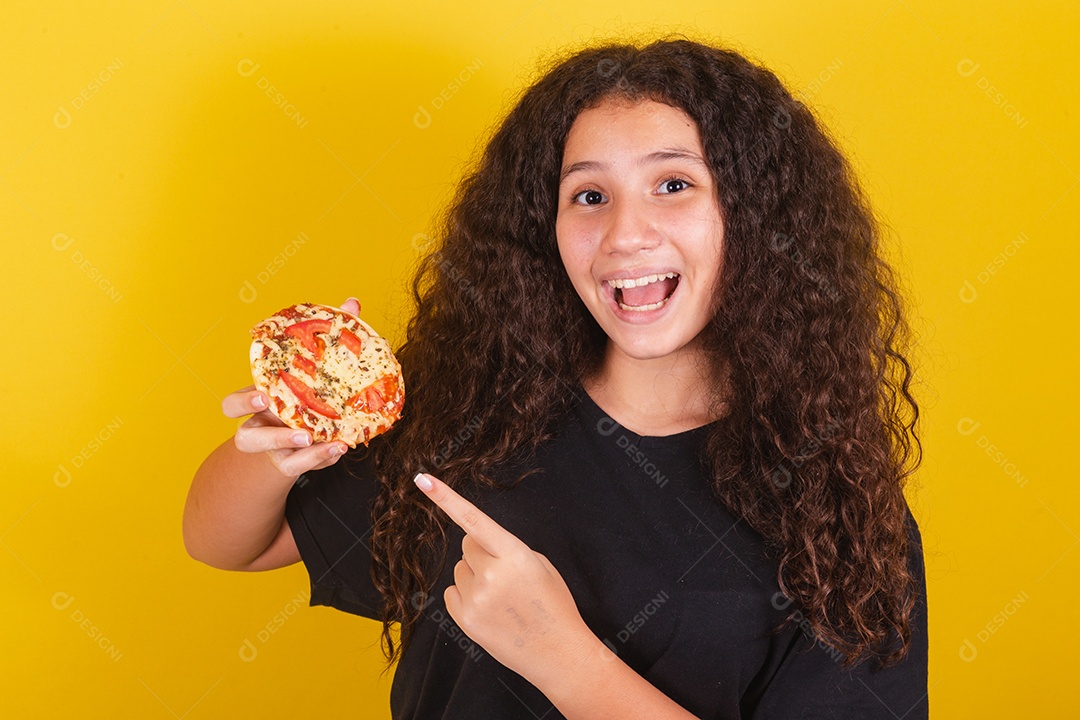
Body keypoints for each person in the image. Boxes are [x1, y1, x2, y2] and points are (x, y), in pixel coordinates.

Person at [184, 36, 928, 719]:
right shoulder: (472, 414)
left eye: (674, 184)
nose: (626, 234)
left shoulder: (838, 511)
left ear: (759, 216)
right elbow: (228, 544)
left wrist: (564, 662)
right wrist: (282, 443)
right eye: (589, 196)